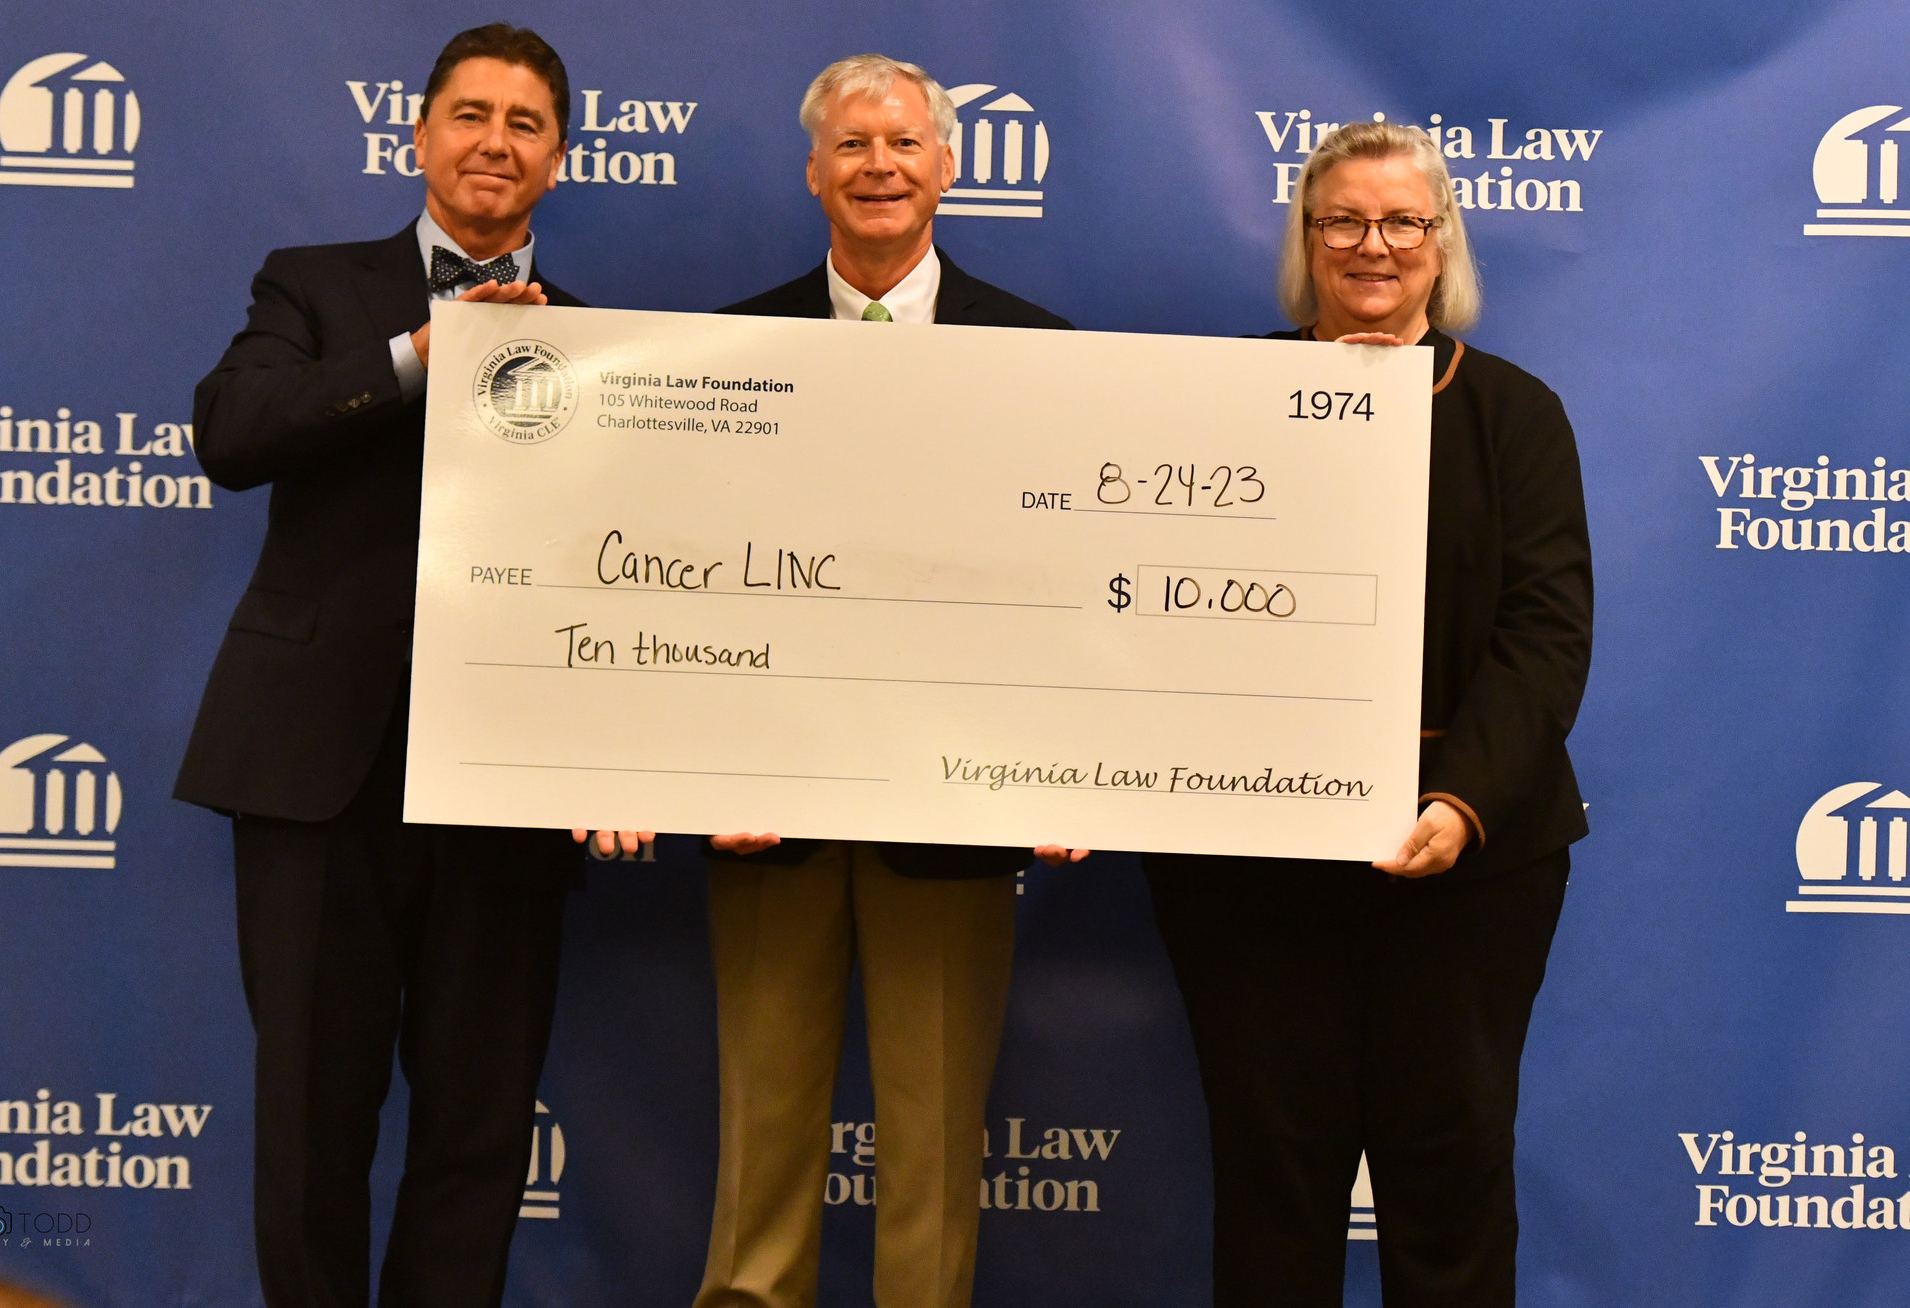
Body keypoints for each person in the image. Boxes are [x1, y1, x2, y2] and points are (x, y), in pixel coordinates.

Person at [174, 24, 645, 1308]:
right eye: (470, 115)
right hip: (315, 769)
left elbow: (629, 568)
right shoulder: (314, 286)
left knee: (480, 1124)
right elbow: (231, 432)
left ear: (560, 159)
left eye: (526, 123)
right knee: (310, 1116)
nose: (495, 141)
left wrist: (623, 753)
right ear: (419, 135)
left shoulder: (609, 344)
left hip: (505, 783)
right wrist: (422, 353)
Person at [1142, 120, 1593, 1307]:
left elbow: (1544, 636)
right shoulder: (1213, 402)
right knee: (1271, 1180)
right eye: (1340, 221)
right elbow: (1139, 609)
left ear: (1442, 243)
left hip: (1464, 865)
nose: (1371, 246)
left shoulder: (1513, 414)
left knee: (1449, 1180)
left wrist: (1461, 804)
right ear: (1305, 241)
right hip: (1250, 859)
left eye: (1401, 221)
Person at [695, 54, 1086, 1308]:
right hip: (765, 811)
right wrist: (687, 767)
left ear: (947, 168)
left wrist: (1069, 770)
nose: (879, 166)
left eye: (903, 143)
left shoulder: (1038, 352)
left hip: (955, 818)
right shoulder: (725, 353)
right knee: (759, 1146)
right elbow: (678, 583)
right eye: (853, 146)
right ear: (813, 172)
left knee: (931, 1158)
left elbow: (1070, 589)